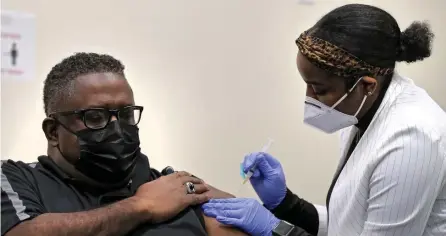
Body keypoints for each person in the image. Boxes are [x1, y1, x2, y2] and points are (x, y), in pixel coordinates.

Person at [202, 4, 446, 236]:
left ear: (366, 86)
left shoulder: (411, 140)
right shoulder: (365, 110)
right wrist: (286, 203)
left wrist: (276, 229)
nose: (310, 99)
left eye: (319, 90)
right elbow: (349, 224)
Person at [1, 52, 247, 236]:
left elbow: (238, 220)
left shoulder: (170, 187)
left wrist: (281, 208)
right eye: (96, 117)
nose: (118, 128)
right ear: (53, 131)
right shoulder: (18, 180)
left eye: (127, 114)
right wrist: (141, 206)